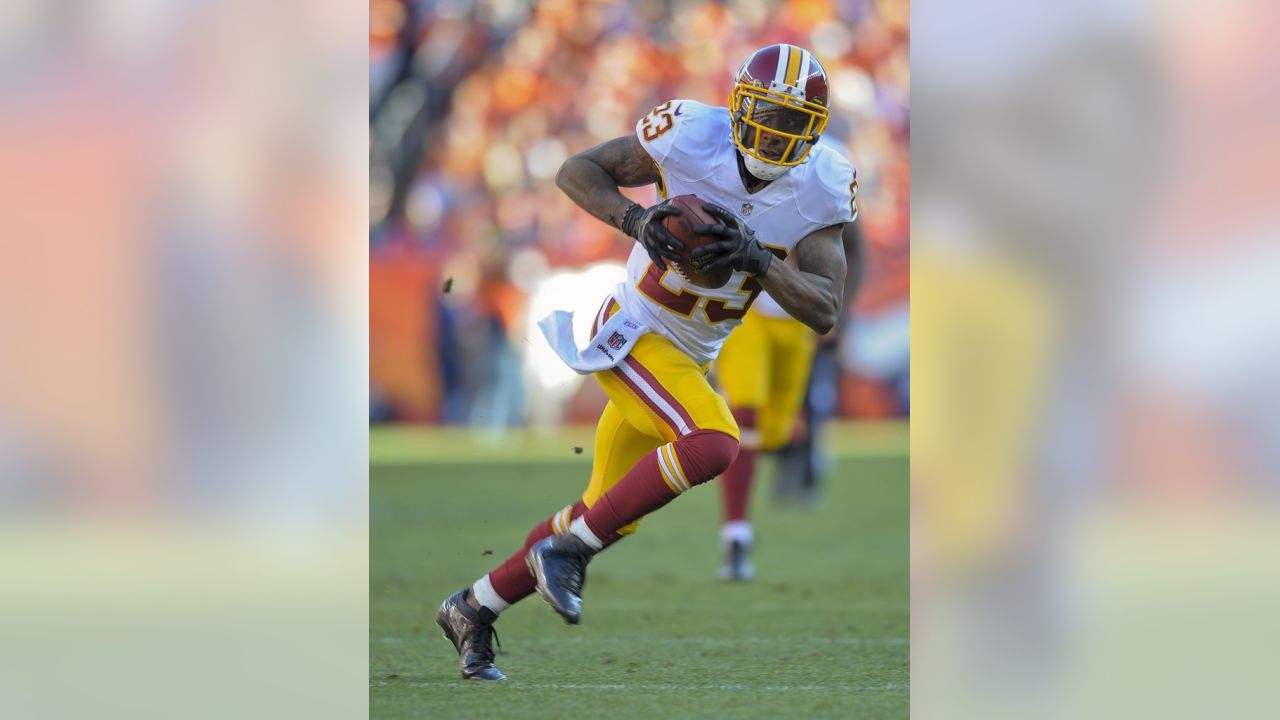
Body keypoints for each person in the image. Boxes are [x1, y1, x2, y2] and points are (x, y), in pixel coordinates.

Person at [435, 43, 857, 681]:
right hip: (634, 332)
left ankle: (473, 608)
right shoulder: (690, 134)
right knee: (713, 442)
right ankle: (568, 555)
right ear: (738, 105)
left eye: (794, 122)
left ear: (816, 131)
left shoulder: (822, 186)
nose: (775, 133)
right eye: (767, 114)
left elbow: (826, 309)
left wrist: (757, 258)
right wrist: (635, 219)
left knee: (600, 515)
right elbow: (578, 170)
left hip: (691, 356)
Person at [712, 194, 862, 580]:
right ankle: (736, 535)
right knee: (743, 415)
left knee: (774, 432)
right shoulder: (742, 160)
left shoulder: (828, 171)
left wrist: (839, 315)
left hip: (797, 317)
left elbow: (855, 247)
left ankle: (801, 459)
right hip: (746, 313)